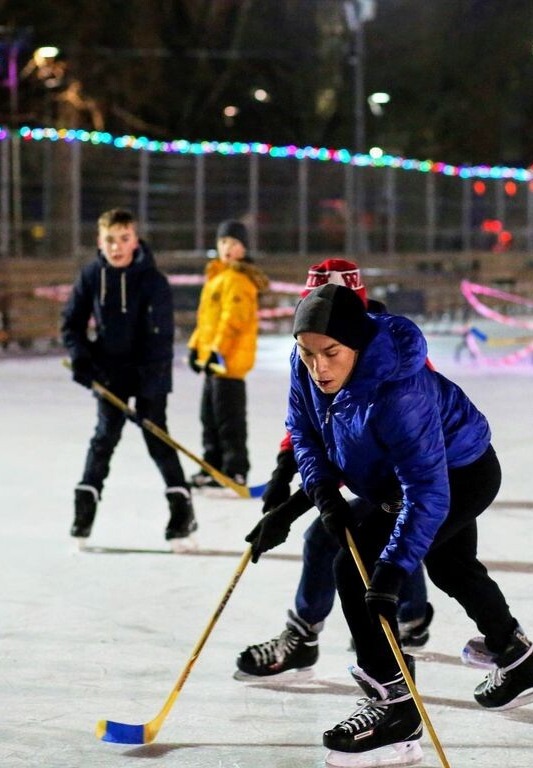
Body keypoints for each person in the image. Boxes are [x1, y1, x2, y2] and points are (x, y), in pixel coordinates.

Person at [245, 284, 533, 767]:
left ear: (356, 344)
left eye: (331, 353)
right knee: (452, 566)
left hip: (459, 473)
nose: (318, 367)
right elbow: (306, 433)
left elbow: (427, 490)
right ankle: (523, 662)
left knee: (357, 567)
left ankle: (394, 712)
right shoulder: (307, 364)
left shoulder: (399, 391)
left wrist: (394, 570)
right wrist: (318, 497)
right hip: (397, 479)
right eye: (307, 353)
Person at [235, 260, 432, 681]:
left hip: (408, 478)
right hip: (370, 476)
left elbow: (356, 449)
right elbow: (308, 422)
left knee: (382, 531)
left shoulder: (389, 358)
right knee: (333, 537)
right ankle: (311, 636)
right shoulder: (314, 348)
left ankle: (410, 619)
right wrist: (283, 472)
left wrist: (296, 506)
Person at [61, 208, 196, 547]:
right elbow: (71, 323)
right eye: (110, 240)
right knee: (104, 437)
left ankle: (182, 510)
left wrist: (151, 384)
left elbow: (162, 337)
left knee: (156, 436)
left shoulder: (153, 281)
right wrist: (82, 358)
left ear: (135, 240)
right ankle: (85, 508)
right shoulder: (91, 275)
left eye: (123, 239)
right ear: (99, 241)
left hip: (151, 370)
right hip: (109, 373)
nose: (116, 247)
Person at [186, 220, 269, 489]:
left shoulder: (239, 280)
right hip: (213, 362)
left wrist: (216, 352)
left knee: (229, 421)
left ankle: (235, 469)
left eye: (234, 243)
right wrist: (195, 347)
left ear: (244, 249)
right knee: (209, 418)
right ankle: (212, 466)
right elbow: (206, 321)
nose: (227, 248)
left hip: (229, 364)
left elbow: (232, 322)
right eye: (223, 242)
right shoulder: (217, 278)